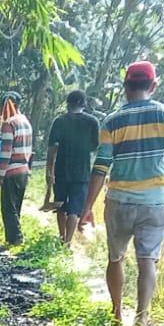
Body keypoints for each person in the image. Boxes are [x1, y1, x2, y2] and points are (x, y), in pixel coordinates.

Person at [86, 60, 164, 326]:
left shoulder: (112, 121)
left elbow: (100, 167)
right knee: (147, 262)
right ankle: (141, 319)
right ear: (153, 85)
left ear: (125, 87)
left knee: (115, 257)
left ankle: (117, 312)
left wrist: (88, 206)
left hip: (119, 201)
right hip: (153, 202)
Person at [45, 90, 101, 243]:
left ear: (68, 103)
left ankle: (61, 236)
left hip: (61, 170)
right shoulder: (92, 122)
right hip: (81, 172)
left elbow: (51, 149)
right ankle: (67, 242)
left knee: (60, 206)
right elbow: (95, 146)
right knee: (74, 210)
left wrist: (49, 171)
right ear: (83, 104)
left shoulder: (59, 121)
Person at [0, 92, 34, 247]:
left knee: (8, 208)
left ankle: (16, 238)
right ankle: (13, 239)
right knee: (16, 206)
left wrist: (0, 175)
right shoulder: (25, 121)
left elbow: (6, 153)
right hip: (24, 170)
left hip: (11, 171)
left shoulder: (9, 124)